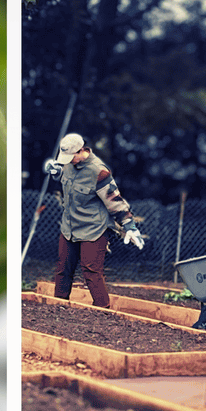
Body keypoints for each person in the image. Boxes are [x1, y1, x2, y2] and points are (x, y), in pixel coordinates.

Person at [43, 132, 144, 308]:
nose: (66, 161)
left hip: (93, 229)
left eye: (70, 157)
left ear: (81, 151)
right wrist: (56, 171)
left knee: (91, 271)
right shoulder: (68, 164)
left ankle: (102, 310)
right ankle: (57, 307)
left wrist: (129, 225)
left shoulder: (99, 171)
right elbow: (65, 178)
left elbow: (115, 201)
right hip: (69, 227)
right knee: (62, 269)